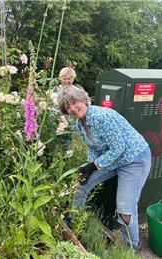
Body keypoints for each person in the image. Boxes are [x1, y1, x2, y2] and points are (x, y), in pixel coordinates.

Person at [57, 85, 151, 251]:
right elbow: (94, 149)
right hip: (112, 160)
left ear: (83, 99)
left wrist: (94, 166)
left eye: (74, 102)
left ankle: (131, 248)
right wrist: (88, 167)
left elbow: (118, 148)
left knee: (125, 208)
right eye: (67, 107)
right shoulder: (80, 124)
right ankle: (73, 224)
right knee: (80, 185)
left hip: (134, 160)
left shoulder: (102, 117)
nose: (72, 108)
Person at [50, 66, 78, 157]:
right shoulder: (54, 90)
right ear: (60, 78)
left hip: (69, 120)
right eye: (64, 78)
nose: (67, 81)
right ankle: (51, 159)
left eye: (69, 78)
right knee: (53, 141)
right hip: (54, 118)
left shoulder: (76, 91)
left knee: (67, 141)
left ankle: (66, 161)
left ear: (73, 79)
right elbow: (48, 104)